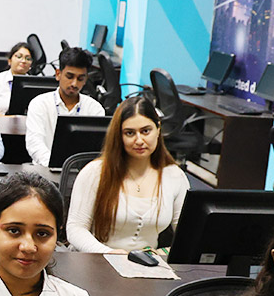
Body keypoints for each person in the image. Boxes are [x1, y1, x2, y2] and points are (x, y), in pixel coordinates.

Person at [66, 96, 188, 253]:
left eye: (146, 131)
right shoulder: (95, 173)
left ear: (158, 129)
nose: (139, 140)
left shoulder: (174, 176)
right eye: (130, 133)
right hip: (97, 262)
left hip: (148, 268)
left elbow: (187, 236)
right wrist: (108, 252)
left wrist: (163, 254)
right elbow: (76, 229)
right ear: (119, 136)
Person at [25, 47, 105, 167]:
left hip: (81, 173)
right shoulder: (40, 104)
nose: (74, 83)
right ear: (58, 74)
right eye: (69, 76)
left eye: (80, 79)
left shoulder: (95, 109)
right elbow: (34, 143)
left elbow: (96, 150)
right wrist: (53, 165)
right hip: (44, 171)